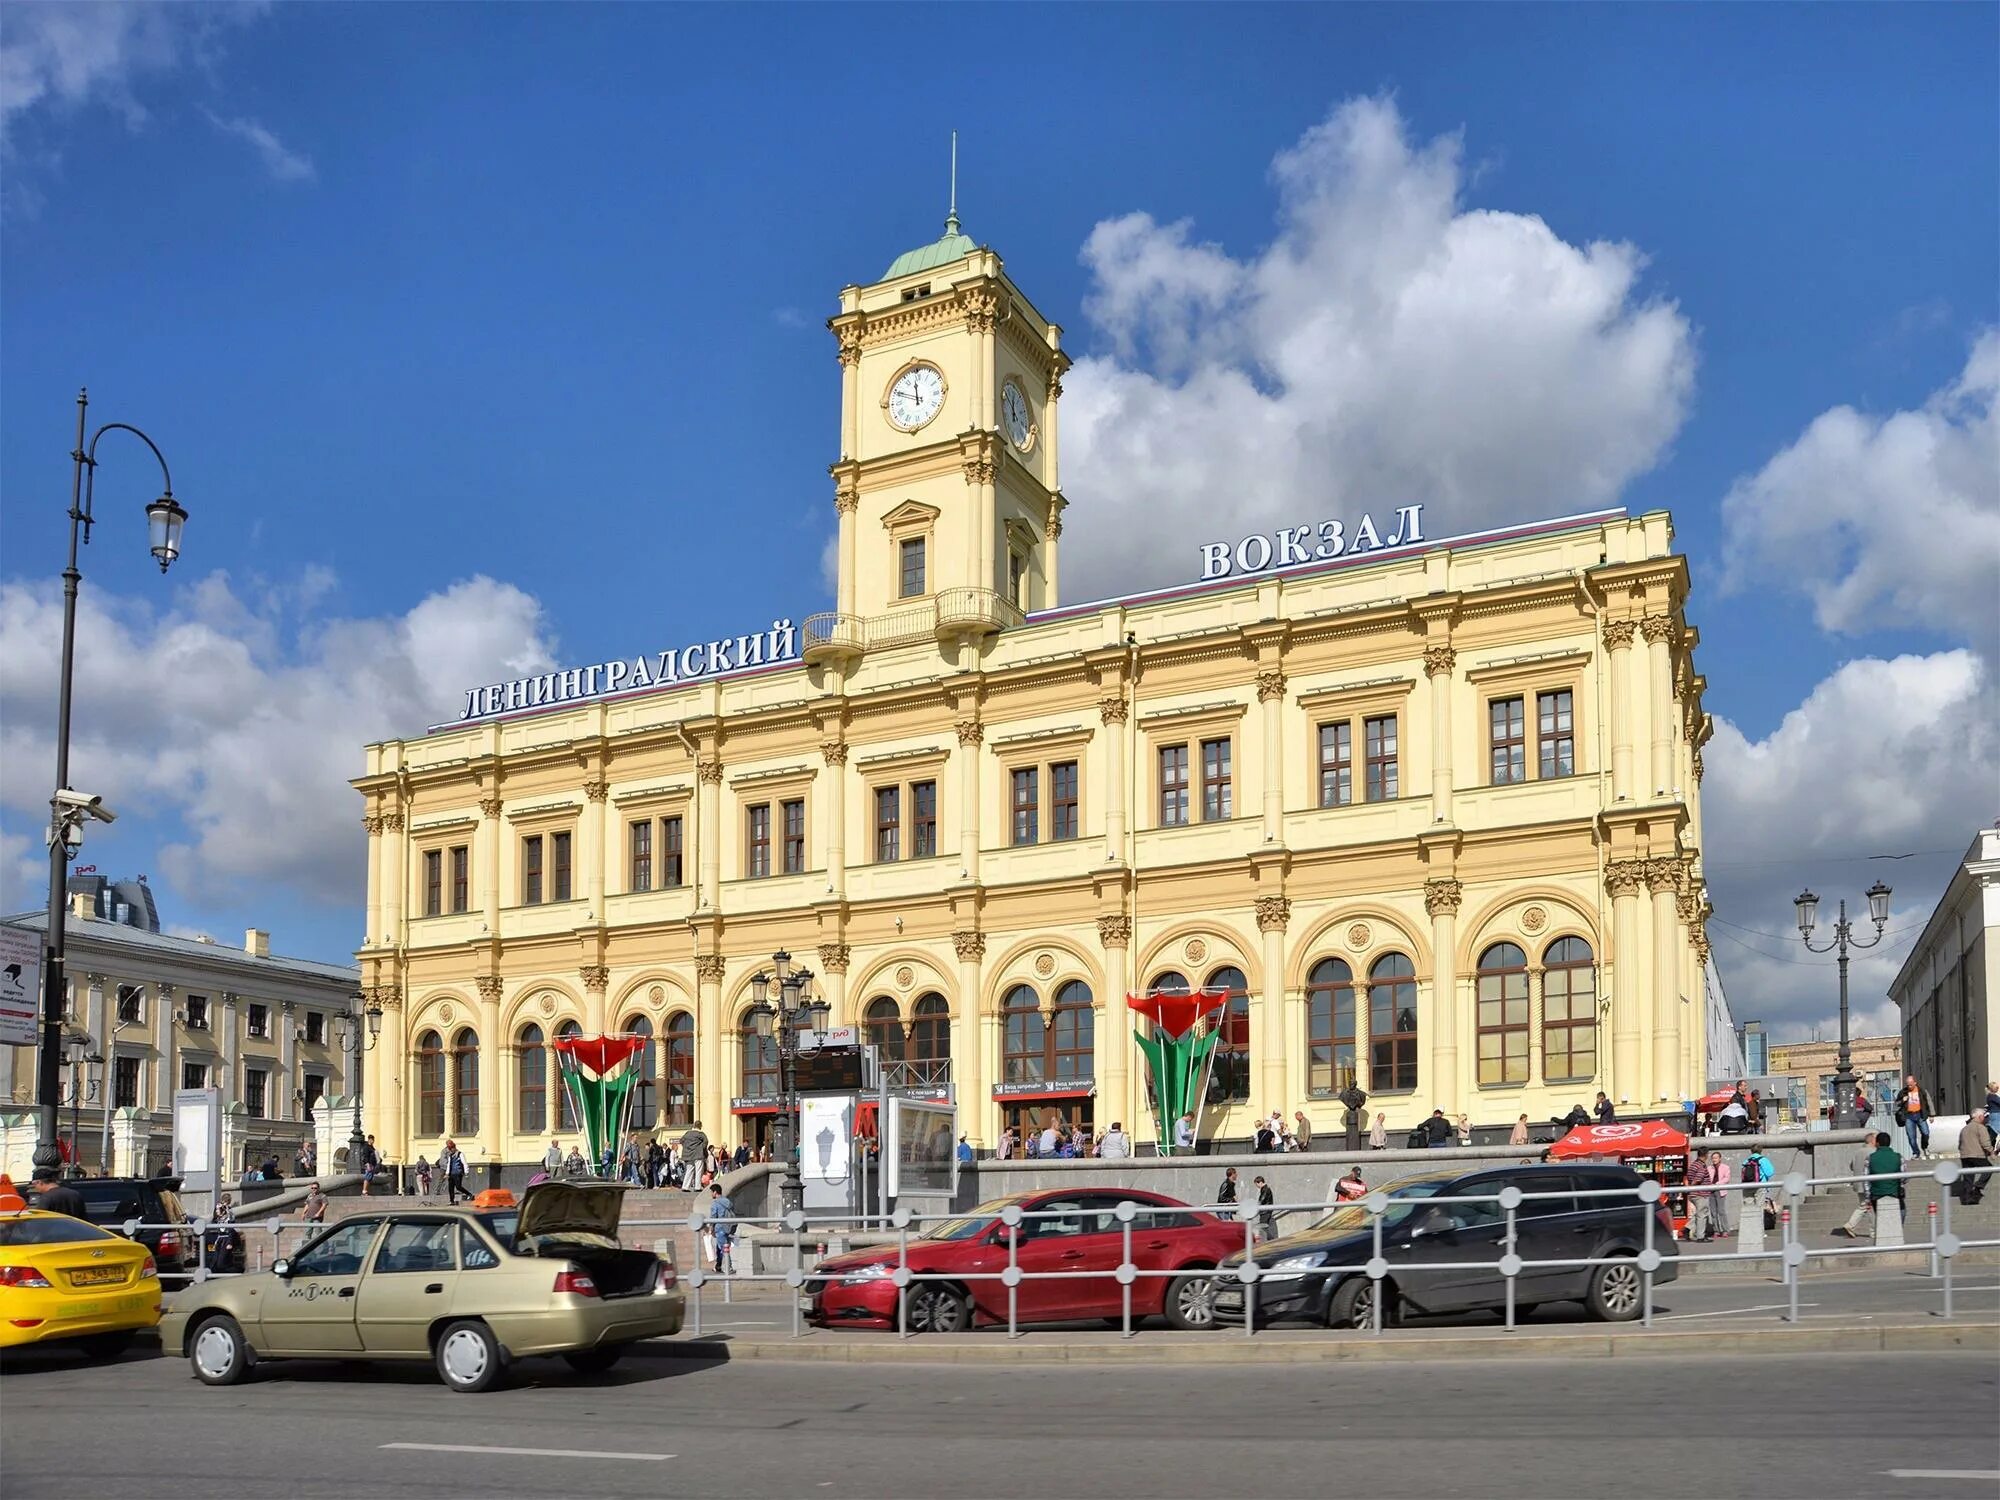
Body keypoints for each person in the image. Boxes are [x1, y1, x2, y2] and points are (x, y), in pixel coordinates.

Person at [1955, 1112, 1996, 1206]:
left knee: (1968, 1177)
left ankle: (1967, 1199)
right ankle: (1978, 1186)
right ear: (1980, 1117)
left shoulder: (1964, 1129)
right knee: (1989, 1168)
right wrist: (1991, 1152)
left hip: (1965, 1155)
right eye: (1984, 1117)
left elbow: (1959, 1144)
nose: (1985, 1119)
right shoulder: (1980, 1127)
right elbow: (1985, 1142)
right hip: (1977, 1155)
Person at [1894, 1076, 1934, 1159]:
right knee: (1911, 1136)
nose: (1909, 1087)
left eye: (1911, 1085)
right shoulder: (1903, 1092)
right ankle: (1916, 1152)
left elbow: (1929, 1102)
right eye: (1908, 1085)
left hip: (1920, 1114)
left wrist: (1931, 1114)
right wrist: (1902, 1100)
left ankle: (1925, 1147)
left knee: (1926, 1132)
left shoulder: (1922, 1091)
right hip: (1909, 1116)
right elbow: (1896, 1105)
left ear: (1915, 1083)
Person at [1685, 1149, 1715, 1241]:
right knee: (1702, 1215)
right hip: (1700, 1193)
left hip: (1694, 1194)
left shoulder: (1694, 1164)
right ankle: (1700, 1236)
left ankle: (1688, 1228)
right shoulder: (1701, 1165)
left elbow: (1688, 1177)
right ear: (1705, 1155)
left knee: (1700, 1213)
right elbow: (1698, 1178)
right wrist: (1692, 1186)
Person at [708, 1182, 737, 1274]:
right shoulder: (728, 1201)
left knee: (724, 1249)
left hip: (720, 1228)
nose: (711, 1194)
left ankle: (729, 1267)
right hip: (728, 1227)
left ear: (715, 1192)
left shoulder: (715, 1203)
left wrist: (711, 1228)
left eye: (712, 1192)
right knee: (720, 1248)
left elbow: (713, 1216)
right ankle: (718, 1266)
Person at [678, 1121, 709, 1190]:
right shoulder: (701, 1134)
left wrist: (687, 1147)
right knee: (698, 1171)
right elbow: (706, 1142)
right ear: (700, 1126)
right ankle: (697, 1187)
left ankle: (685, 1186)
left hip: (688, 1155)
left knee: (689, 1170)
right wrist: (700, 1148)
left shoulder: (687, 1133)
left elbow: (681, 1141)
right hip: (698, 1155)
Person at [440, 1139, 468, 1205]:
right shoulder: (450, 1156)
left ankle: (469, 1194)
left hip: (458, 1173)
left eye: (452, 1148)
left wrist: (466, 1172)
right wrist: (447, 1173)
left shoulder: (460, 1154)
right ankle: (451, 1201)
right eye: (450, 1149)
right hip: (451, 1174)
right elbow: (449, 1165)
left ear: (454, 1147)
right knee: (450, 1188)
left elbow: (464, 1163)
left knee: (458, 1187)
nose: (451, 1150)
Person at [1252, 1175, 1278, 1242]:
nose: (1257, 1186)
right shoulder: (1265, 1188)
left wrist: (1256, 1205)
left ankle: (1272, 1239)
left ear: (1260, 1182)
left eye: (1256, 1184)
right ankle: (1272, 1239)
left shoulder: (1265, 1189)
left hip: (1265, 1212)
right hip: (1266, 1211)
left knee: (1263, 1227)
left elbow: (1262, 1200)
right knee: (1266, 1226)